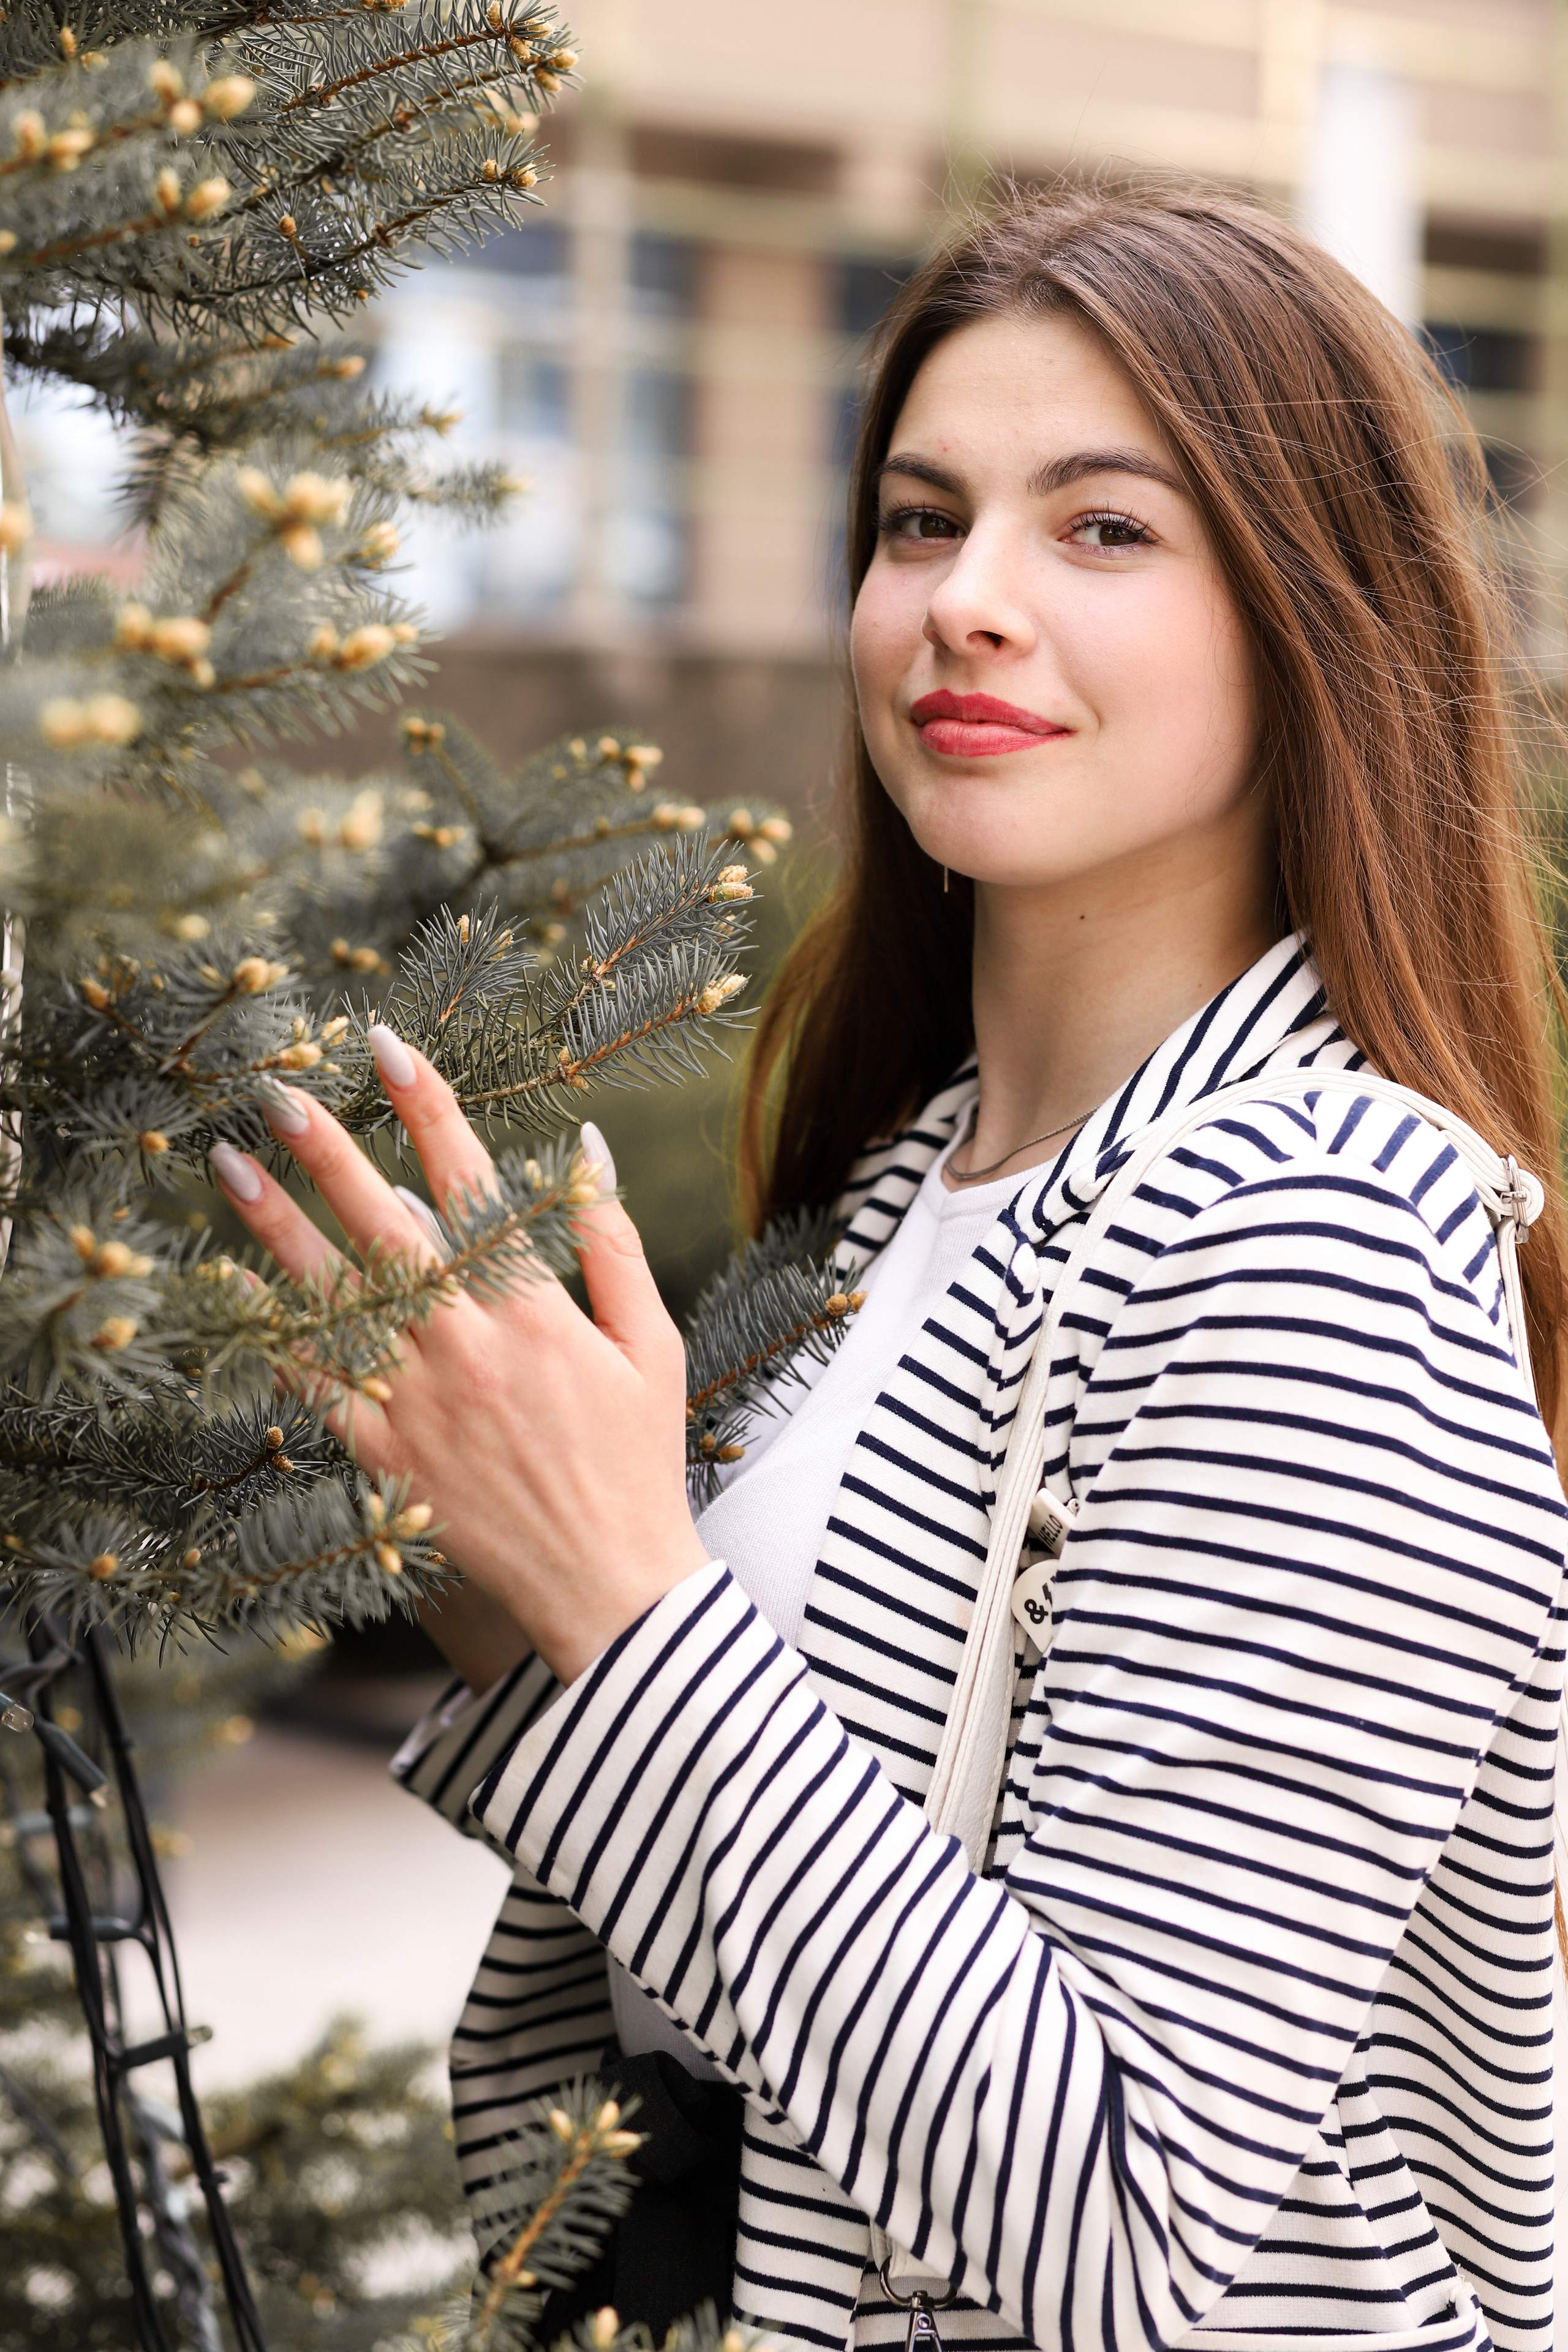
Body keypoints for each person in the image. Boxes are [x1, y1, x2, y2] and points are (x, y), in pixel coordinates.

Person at [211, 181, 1568, 2352]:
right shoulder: (906, 1190)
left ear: (1319, 616)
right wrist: (502, 1567)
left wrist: (625, 1612)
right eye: (922, 521)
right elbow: (716, 1960)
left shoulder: (1310, 1232)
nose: (969, 603)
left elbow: (1132, 2220)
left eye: (1103, 530)